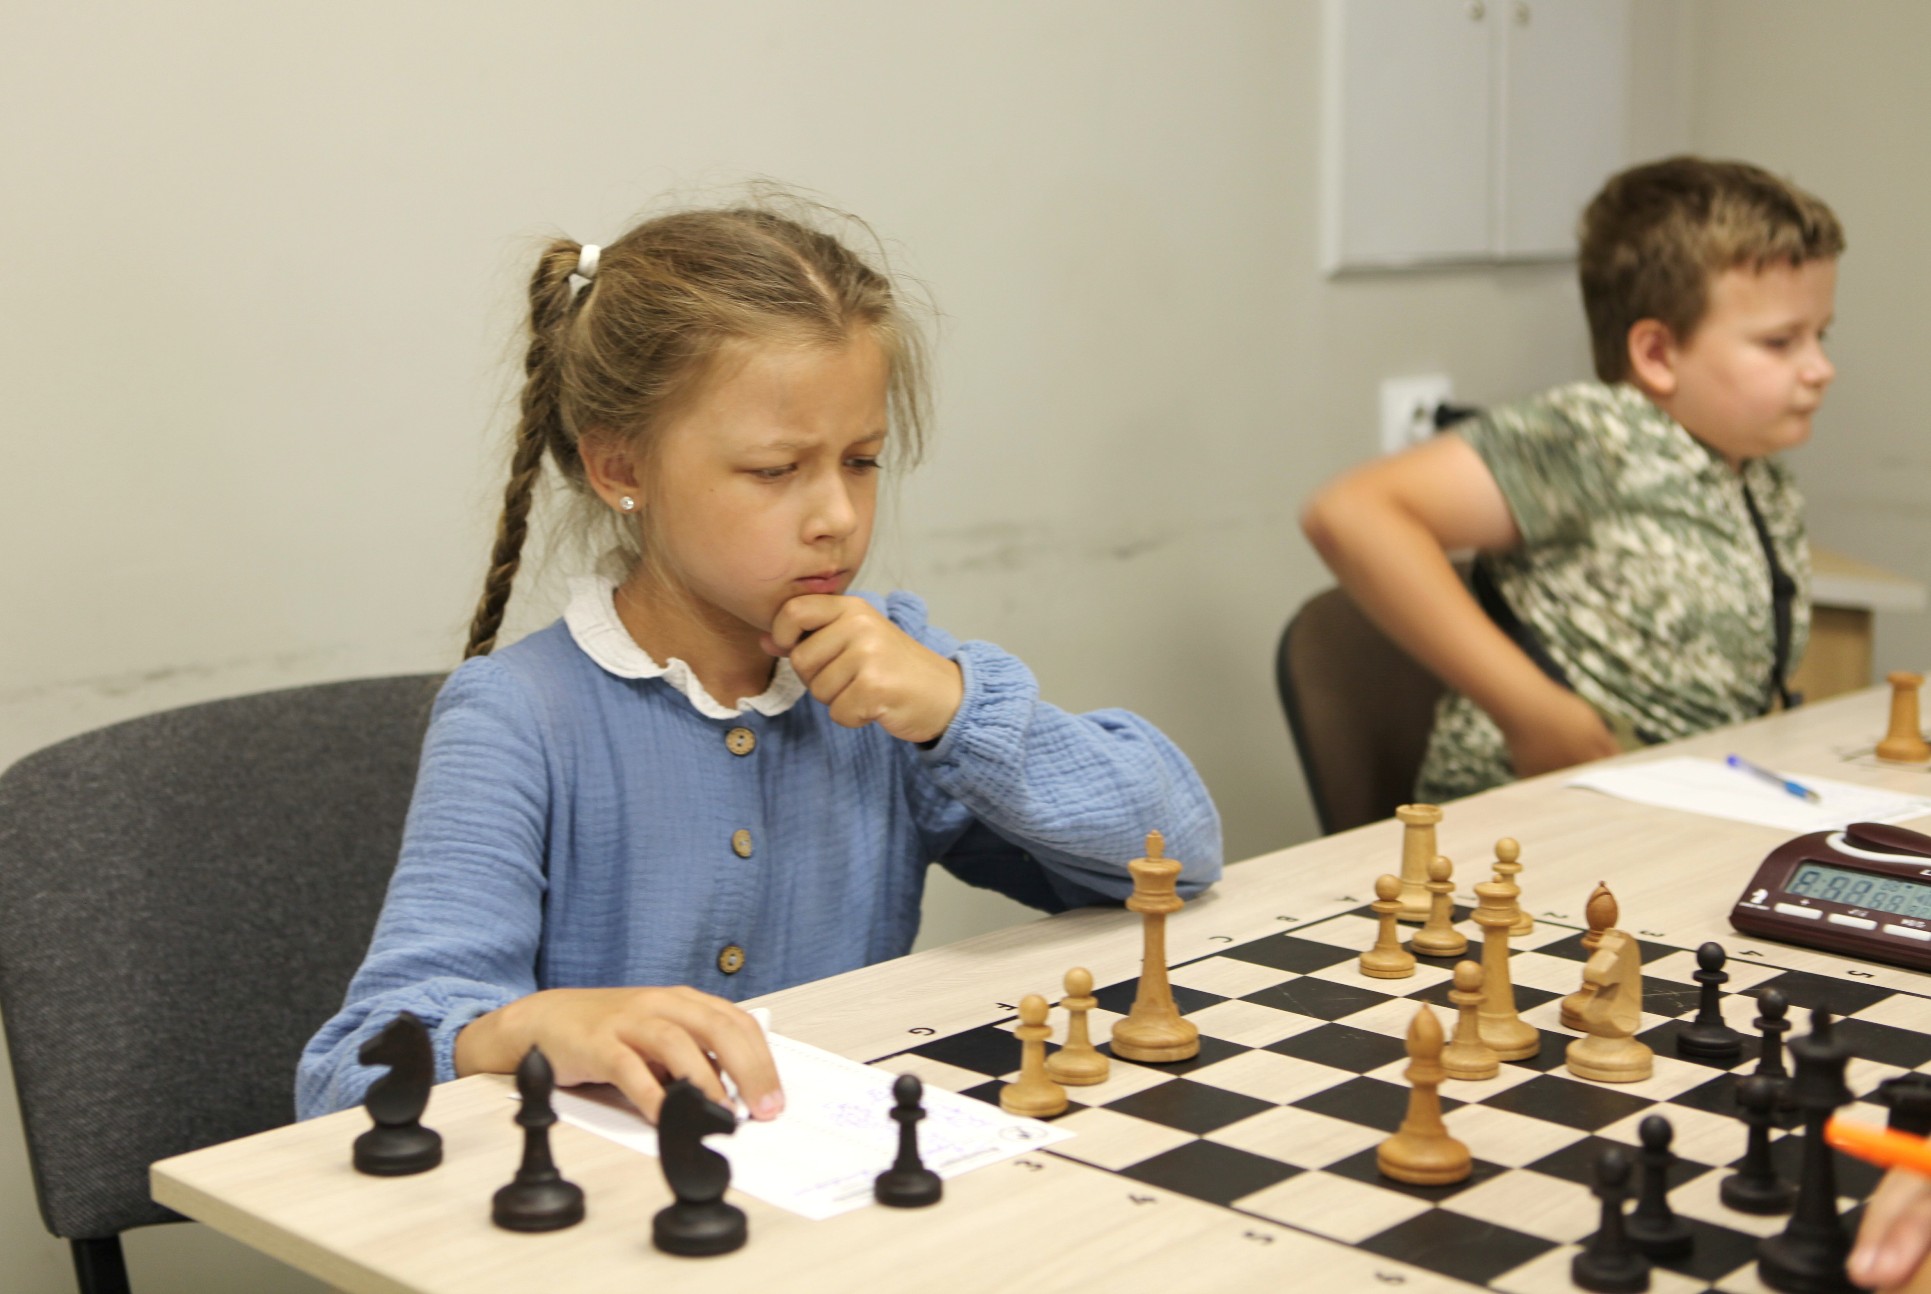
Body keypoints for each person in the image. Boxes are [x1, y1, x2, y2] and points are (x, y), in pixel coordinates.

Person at [297, 197, 1221, 1123]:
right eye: (776, 470)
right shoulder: (518, 715)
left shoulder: (887, 679)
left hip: (839, 1172)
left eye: (861, 461)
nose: (838, 517)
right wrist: (527, 1028)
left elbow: (1177, 856)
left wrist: (954, 710)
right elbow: (352, 1069)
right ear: (622, 470)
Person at [1301, 157, 1843, 803]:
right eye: (1781, 343)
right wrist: (1529, 709)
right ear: (1656, 354)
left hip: (1678, 804)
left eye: (1820, 336)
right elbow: (1353, 512)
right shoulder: (1599, 436)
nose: (1820, 368)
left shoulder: (1756, 474)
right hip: (1533, 816)